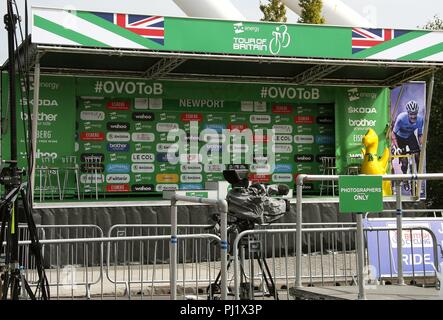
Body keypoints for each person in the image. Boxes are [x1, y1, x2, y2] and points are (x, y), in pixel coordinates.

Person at [391, 100, 424, 190]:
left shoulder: (420, 119)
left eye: (415, 114)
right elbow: (393, 134)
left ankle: (418, 179)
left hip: (410, 136)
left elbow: (420, 135)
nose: (413, 116)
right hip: (399, 137)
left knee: (418, 156)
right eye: (411, 114)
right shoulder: (401, 118)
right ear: (407, 113)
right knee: (404, 162)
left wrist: (422, 145)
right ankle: (405, 179)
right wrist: (397, 148)